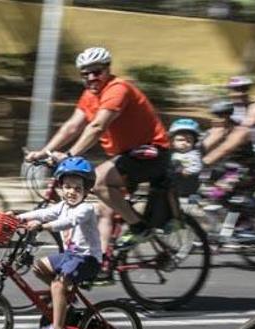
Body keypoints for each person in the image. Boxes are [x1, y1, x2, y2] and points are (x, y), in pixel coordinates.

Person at [24, 46, 171, 255]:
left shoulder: (117, 89)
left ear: (107, 69)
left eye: (97, 72)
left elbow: (97, 127)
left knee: (99, 180)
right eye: (85, 74)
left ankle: (140, 228)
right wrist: (44, 151)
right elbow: (72, 126)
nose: (91, 78)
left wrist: (68, 156)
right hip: (127, 156)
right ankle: (101, 263)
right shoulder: (89, 94)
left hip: (152, 153)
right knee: (104, 209)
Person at [16, 157, 102, 329]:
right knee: (38, 268)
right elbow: (42, 213)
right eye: (67, 187)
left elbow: (67, 222)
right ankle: (66, 296)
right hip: (70, 256)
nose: (71, 192)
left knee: (56, 284)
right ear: (61, 187)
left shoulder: (86, 209)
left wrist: (42, 227)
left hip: (88, 259)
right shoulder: (62, 206)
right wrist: (16, 217)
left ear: (87, 190)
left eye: (78, 188)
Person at [202, 75, 255, 199]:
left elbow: (240, 133)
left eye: (243, 89)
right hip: (241, 157)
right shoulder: (231, 109)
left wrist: (209, 158)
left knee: (238, 194)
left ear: (248, 90)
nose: (239, 93)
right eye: (235, 90)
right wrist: (198, 151)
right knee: (214, 190)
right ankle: (223, 208)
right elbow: (219, 131)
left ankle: (247, 212)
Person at [169, 118, 204, 197]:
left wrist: (184, 170)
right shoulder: (170, 153)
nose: (184, 143)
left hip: (186, 187)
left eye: (189, 141)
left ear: (194, 143)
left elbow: (196, 167)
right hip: (170, 187)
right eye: (180, 140)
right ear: (172, 142)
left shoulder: (193, 154)